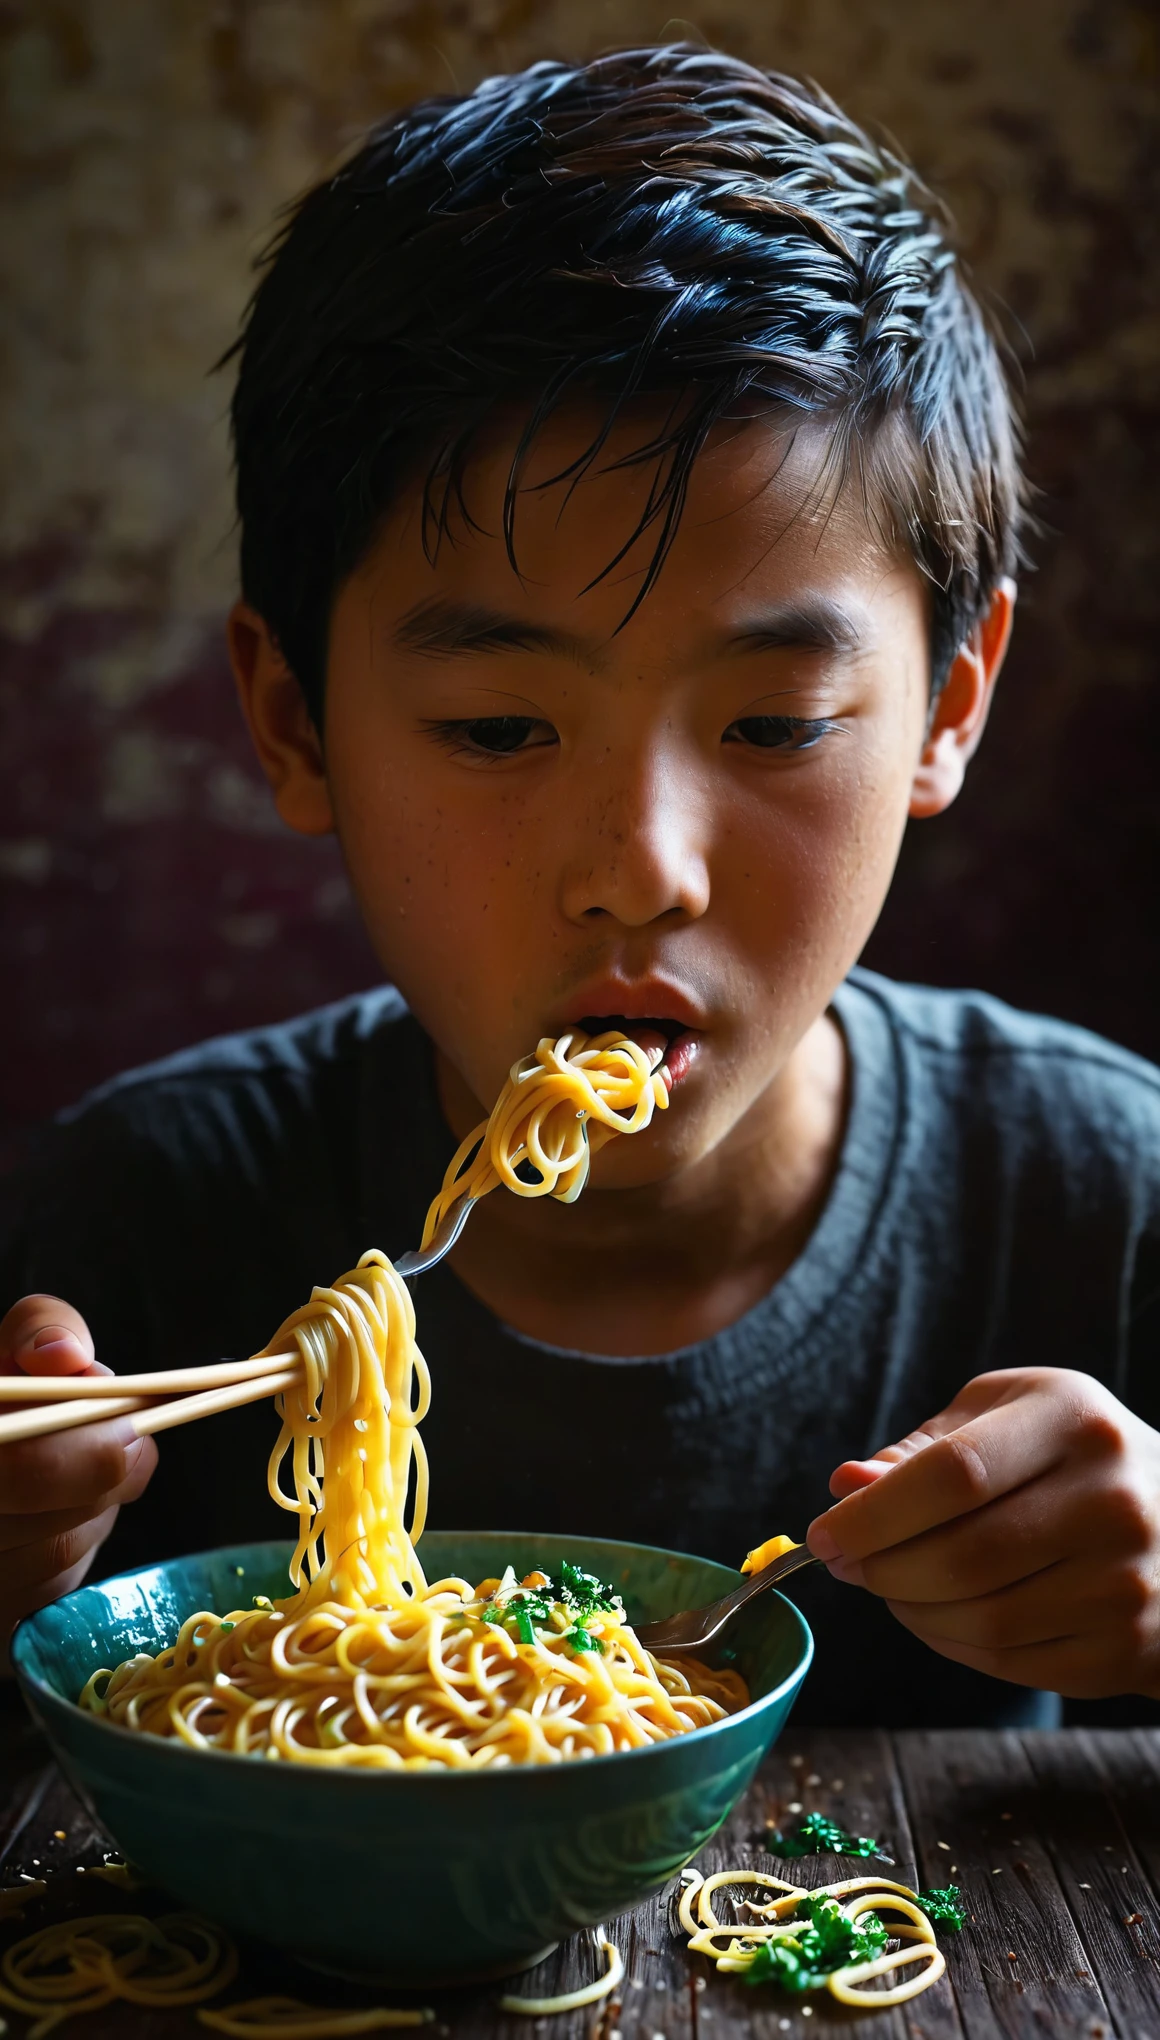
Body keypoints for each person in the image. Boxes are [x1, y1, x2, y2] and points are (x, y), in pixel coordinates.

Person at [2, 45, 1158, 1728]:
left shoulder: (1103, 1199)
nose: (641, 869)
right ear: (294, 719)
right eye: (496, 726)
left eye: (772, 721)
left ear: (951, 705)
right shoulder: (126, 1234)